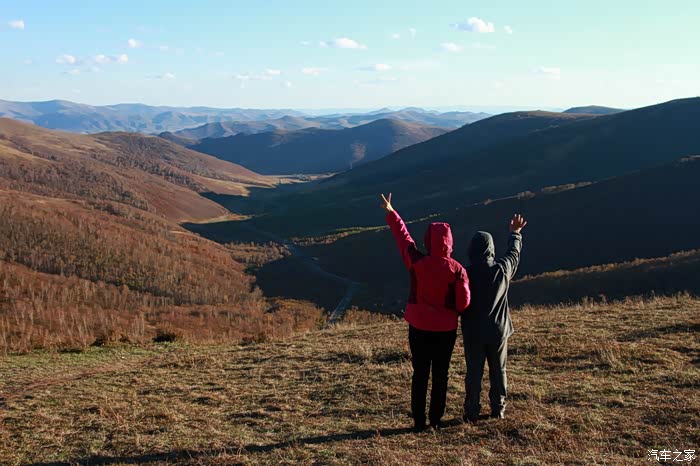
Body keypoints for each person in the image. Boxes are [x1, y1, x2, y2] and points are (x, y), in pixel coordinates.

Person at [380, 193, 470, 432]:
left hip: (418, 327)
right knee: (441, 374)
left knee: (420, 373)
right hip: (445, 330)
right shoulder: (458, 270)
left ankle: (419, 421)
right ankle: (436, 420)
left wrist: (392, 213)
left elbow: (404, 240)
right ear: (450, 242)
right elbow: (463, 303)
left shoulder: (417, 263)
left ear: (428, 240)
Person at [461, 214, 527, 422]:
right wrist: (515, 233)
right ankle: (498, 408)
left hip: (473, 332)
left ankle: (471, 410)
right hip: (498, 330)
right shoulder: (502, 269)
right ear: (490, 249)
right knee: (499, 370)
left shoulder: (464, 274)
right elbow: (514, 253)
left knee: (474, 372)